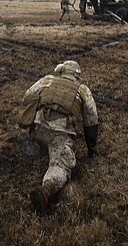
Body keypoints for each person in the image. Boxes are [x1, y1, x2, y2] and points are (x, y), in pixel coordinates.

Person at [21, 60, 98, 215]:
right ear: (77, 75)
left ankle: (40, 146)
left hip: (36, 127)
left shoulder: (48, 79)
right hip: (59, 132)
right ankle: (46, 191)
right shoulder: (82, 89)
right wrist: (91, 147)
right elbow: (91, 117)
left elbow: (28, 95)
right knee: (61, 165)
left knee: (46, 141)